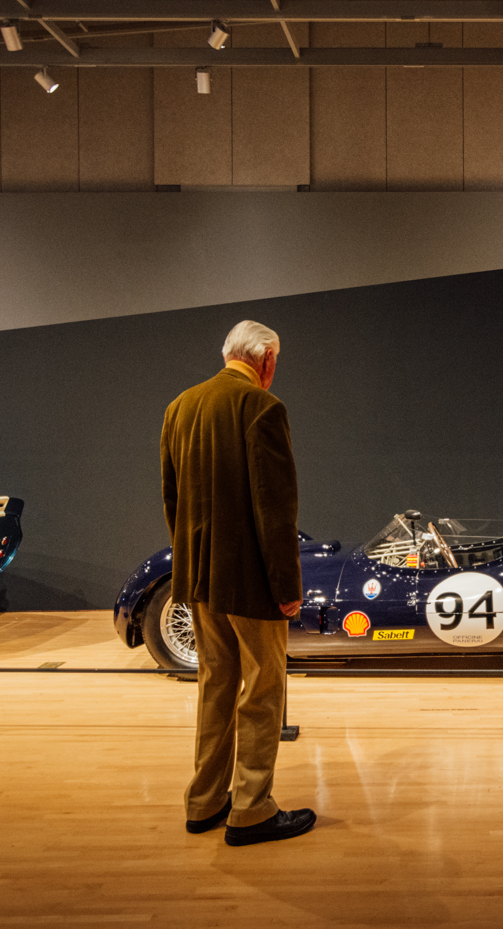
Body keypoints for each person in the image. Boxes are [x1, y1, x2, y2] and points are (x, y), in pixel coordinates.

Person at [161, 319, 317, 845]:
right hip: (251, 582)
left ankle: (203, 802)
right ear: (267, 360)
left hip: (199, 579)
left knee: (216, 686)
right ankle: (251, 810)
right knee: (263, 690)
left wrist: (192, 565)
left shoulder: (179, 408)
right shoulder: (263, 408)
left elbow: (172, 501)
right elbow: (276, 511)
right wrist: (287, 586)